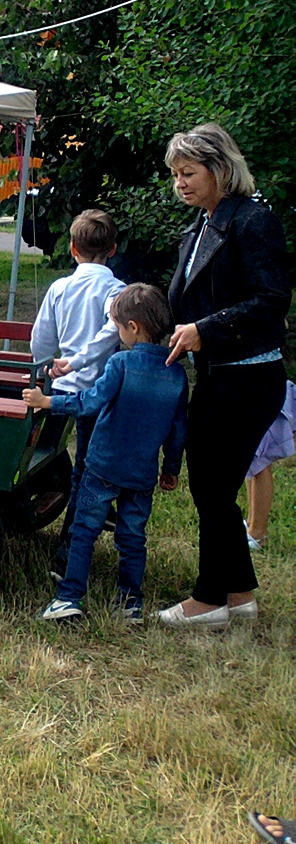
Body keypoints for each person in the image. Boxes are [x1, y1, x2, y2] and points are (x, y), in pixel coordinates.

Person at [158, 123, 290, 628]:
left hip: (250, 380)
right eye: (175, 175)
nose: (180, 183)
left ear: (219, 169)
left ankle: (209, 599)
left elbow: (272, 301)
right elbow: (179, 305)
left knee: (212, 488)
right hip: (218, 378)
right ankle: (240, 595)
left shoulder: (253, 222)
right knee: (211, 486)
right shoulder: (200, 227)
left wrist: (205, 331)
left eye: (188, 172)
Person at [24, 283, 188, 624]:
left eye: (116, 326)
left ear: (133, 327)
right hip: (142, 472)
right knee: (133, 537)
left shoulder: (121, 363)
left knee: (85, 529)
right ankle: (130, 604)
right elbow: (177, 429)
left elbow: (90, 403)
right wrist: (171, 468)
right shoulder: (177, 374)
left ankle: (68, 598)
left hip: (102, 465)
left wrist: (48, 401)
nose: (116, 333)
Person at [29, 209, 126, 579]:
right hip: (97, 391)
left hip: (60, 386)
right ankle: (68, 552)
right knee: (84, 469)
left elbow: (42, 337)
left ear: (72, 249)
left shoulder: (60, 288)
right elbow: (112, 332)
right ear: (113, 249)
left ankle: (76, 519)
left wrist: (45, 366)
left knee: (42, 453)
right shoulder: (114, 290)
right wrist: (82, 360)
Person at [244, 380, 296, 550]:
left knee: (259, 460)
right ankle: (252, 522)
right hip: (248, 385)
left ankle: (258, 532)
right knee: (250, 460)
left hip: (260, 386)